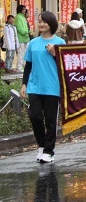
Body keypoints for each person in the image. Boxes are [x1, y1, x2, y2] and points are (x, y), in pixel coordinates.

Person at [21, 11, 66, 163]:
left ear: (51, 23)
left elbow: (65, 66)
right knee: (34, 115)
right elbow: (28, 66)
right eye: (39, 21)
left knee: (50, 119)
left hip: (52, 86)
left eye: (44, 22)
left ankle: (49, 151)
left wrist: (55, 54)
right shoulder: (33, 43)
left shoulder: (60, 42)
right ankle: (41, 144)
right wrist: (24, 84)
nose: (41, 24)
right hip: (34, 86)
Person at [14, 4, 30, 72]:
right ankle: (19, 67)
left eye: (25, 9)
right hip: (21, 37)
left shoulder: (24, 17)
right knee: (21, 53)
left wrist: (28, 31)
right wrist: (26, 32)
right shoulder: (17, 17)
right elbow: (18, 27)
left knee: (26, 52)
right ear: (20, 10)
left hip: (26, 37)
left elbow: (27, 27)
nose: (25, 10)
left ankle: (24, 65)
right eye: (23, 9)